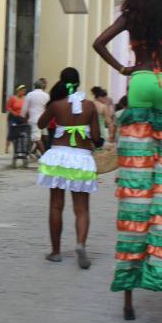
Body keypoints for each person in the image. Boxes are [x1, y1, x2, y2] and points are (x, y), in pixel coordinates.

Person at [93, 0, 162, 320]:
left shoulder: (132, 15)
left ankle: (129, 302)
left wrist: (124, 69)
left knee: (136, 198)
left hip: (139, 82)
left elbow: (98, 42)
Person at [36, 67, 102, 269]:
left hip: (58, 157)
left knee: (56, 205)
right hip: (81, 158)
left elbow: (40, 124)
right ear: (79, 83)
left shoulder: (56, 104)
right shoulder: (90, 106)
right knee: (82, 209)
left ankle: (56, 252)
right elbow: (97, 139)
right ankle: (80, 244)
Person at [21, 79, 50, 156]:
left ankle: (44, 156)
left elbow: (24, 108)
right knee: (43, 136)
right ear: (41, 86)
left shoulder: (30, 95)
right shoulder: (46, 95)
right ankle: (30, 152)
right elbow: (48, 107)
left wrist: (23, 116)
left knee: (36, 138)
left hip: (34, 119)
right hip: (43, 119)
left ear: (35, 86)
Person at [5, 84, 26, 154]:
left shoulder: (24, 99)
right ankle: (7, 147)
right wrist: (13, 112)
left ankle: (19, 148)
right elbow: (7, 107)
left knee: (21, 133)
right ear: (18, 91)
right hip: (12, 118)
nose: (23, 93)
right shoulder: (12, 98)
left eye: (24, 91)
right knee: (12, 130)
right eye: (22, 91)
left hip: (20, 118)